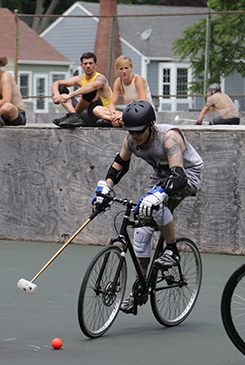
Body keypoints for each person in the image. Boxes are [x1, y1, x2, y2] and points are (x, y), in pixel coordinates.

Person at [92, 100, 204, 314]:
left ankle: (172, 251)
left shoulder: (169, 138)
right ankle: (140, 288)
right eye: (131, 131)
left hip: (186, 174)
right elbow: (120, 165)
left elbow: (178, 177)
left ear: (151, 125)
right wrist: (105, 188)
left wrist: (159, 194)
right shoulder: (131, 140)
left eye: (139, 132)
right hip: (161, 175)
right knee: (142, 227)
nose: (135, 136)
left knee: (156, 207)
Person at [51, 52, 113, 128]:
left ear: (95, 65)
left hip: (99, 116)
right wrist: (56, 95)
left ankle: (74, 116)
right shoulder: (80, 78)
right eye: (85, 64)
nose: (88, 66)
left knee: (90, 91)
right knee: (61, 87)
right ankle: (73, 115)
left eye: (90, 63)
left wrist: (70, 95)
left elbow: (94, 85)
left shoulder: (101, 78)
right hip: (84, 115)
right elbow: (56, 83)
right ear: (82, 66)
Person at [108, 55, 153, 127]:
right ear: (117, 70)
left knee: (127, 116)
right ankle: (118, 120)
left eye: (126, 68)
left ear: (131, 68)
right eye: (121, 69)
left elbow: (143, 103)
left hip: (144, 112)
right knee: (97, 110)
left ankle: (121, 120)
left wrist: (122, 115)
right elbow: (111, 104)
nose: (124, 71)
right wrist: (114, 114)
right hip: (129, 113)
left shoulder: (137, 79)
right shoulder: (118, 82)